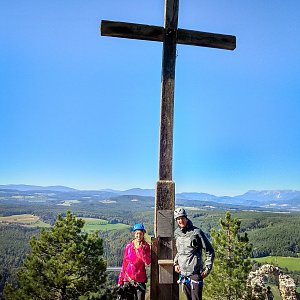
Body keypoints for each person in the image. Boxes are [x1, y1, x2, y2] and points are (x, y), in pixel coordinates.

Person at [173, 208, 214, 300]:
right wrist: (175, 263)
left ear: (186, 218)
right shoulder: (177, 233)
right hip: (183, 274)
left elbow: (209, 250)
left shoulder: (196, 232)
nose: (180, 220)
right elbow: (179, 251)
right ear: (176, 220)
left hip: (195, 273)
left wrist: (207, 268)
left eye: (182, 218)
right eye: (178, 219)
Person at [118, 223, 151, 300]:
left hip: (140, 281)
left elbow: (148, 262)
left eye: (140, 234)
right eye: (137, 233)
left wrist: (140, 250)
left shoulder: (146, 247)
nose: (138, 236)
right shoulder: (129, 246)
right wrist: (120, 280)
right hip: (128, 279)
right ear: (134, 234)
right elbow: (125, 264)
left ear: (143, 234)